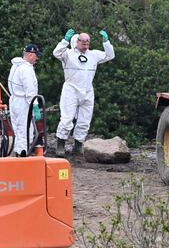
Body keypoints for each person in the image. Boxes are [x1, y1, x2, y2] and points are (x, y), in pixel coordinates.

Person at [53, 29, 114, 157]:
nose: (86, 46)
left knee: (84, 121)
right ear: (77, 42)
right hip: (71, 90)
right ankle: (60, 145)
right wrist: (64, 40)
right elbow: (56, 53)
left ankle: (78, 145)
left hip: (87, 91)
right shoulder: (68, 54)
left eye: (88, 43)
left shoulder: (93, 55)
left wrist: (106, 42)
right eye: (83, 43)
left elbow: (110, 55)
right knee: (67, 119)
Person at [8, 43, 43, 157]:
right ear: (31, 55)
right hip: (23, 103)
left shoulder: (16, 65)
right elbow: (30, 90)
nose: (37, 58)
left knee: (18, 130)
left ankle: (18, 153)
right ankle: (23, 155)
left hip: (14, 100)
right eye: (36, 55)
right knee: (25, 130)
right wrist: (35, 105)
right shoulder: (26, 69)